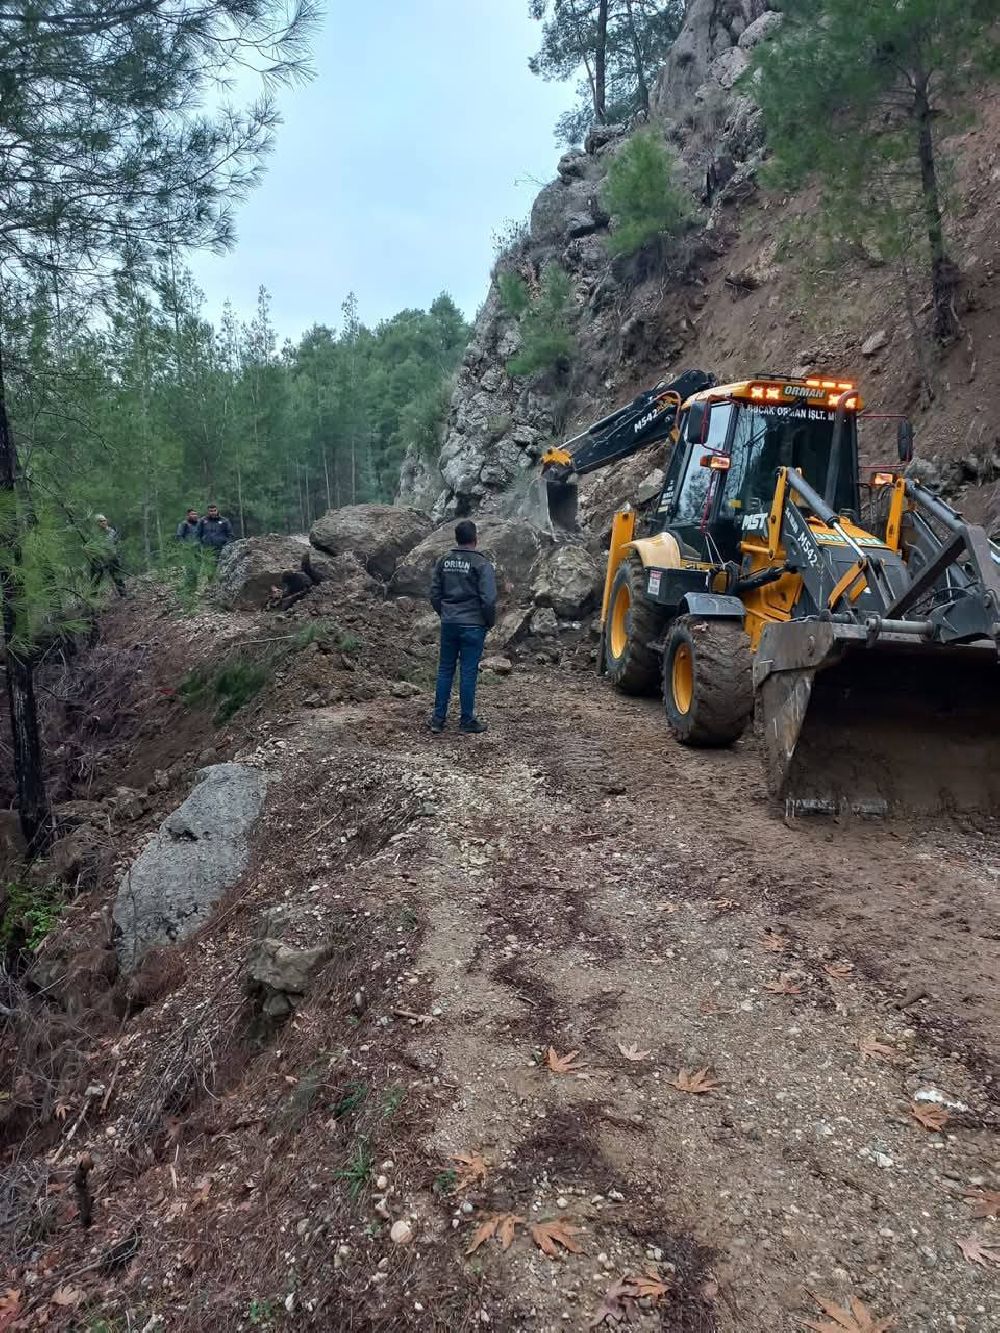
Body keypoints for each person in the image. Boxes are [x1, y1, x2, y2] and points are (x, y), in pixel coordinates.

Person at [429, 519, 496, 734]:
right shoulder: (481, 563)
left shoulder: (444, 560)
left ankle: (438, 719)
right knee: (468, 672)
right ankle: (466, 720)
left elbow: (434, 593)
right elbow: (488, 598)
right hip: (473, 625)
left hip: (449, 622)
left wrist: (445, 613)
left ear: (456, 539)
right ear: (475, 539)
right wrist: (488, 621)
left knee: (445, 669)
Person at [90, 514, 126, 596]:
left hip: (111, 558)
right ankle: (93, 600)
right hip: (98, 559)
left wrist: (117, 557)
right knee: (95, 580)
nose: (103, 522)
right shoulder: (93, 535)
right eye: (101, 521)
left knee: (117, 577)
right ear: (96, 523)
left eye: (104, 520)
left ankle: (123, 594)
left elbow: (117, 545)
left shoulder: (112, 533)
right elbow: (90, 547)